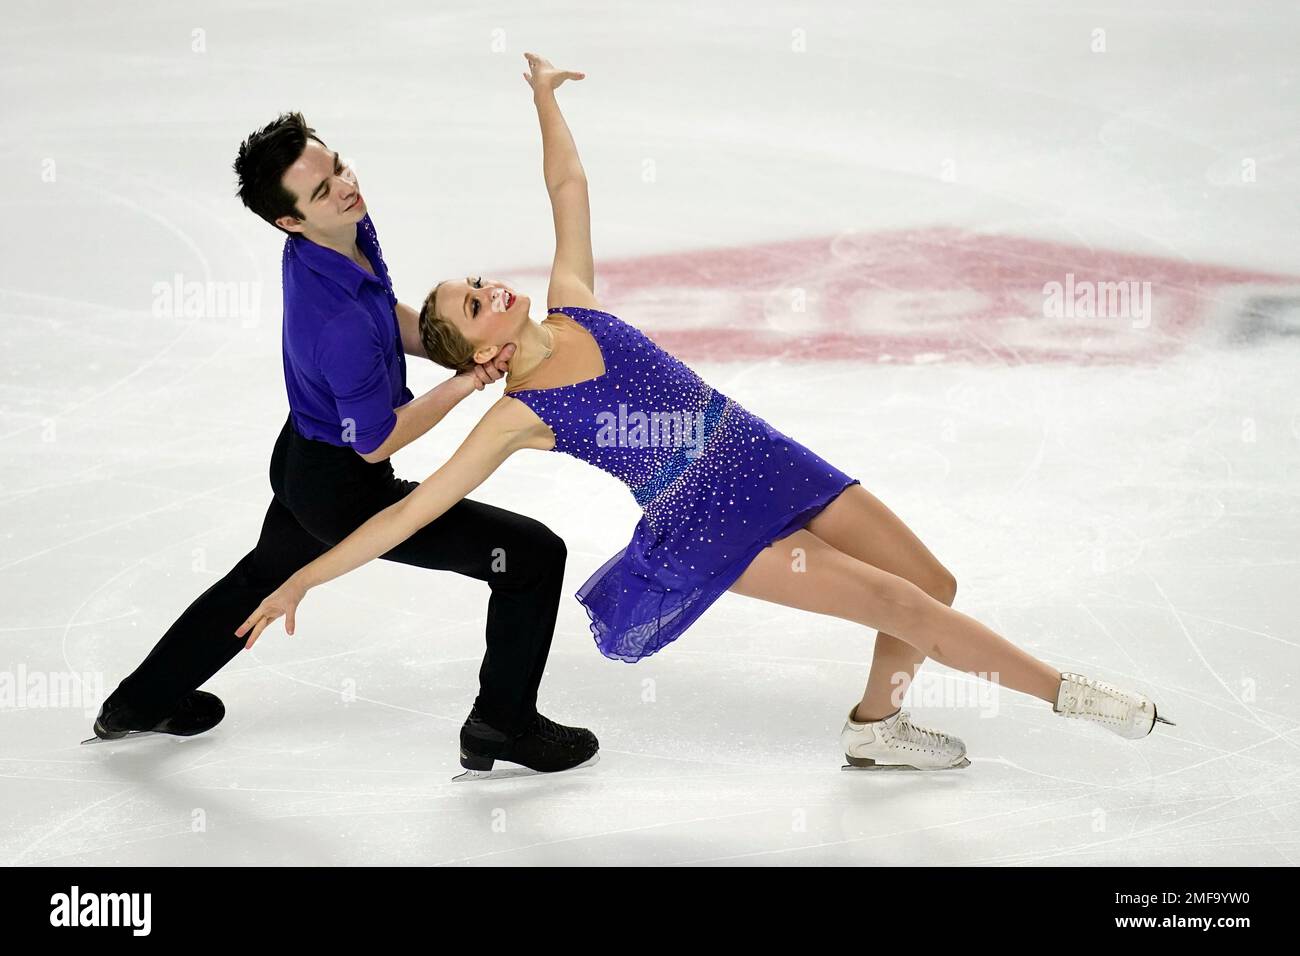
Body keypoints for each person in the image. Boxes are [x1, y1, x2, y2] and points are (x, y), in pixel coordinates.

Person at [237, 54, 1174, 772]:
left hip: (765, 455)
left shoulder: (575, 303)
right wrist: (303, 581)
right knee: (896, 602)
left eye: (478, 279)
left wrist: (546, 101)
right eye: (472, 302)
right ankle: (1071, 694)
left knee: (933, 581)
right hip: (706, 520)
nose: (491, 288)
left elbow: (569, 190)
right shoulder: (514, 415)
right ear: (475, 350)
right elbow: (410, 510)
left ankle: (876, 727)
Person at [91, 109, 598, 778]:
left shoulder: (341, 232)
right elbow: (377, 441)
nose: (346, 188)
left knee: (258, 575)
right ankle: (503, 724)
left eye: (338, 167)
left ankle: (136, 704)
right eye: (323, 189)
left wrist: (457, 353)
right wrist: (470, 379)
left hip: (302, 452)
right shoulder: (337, 326)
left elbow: (388, 316)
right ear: (290, 222)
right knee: (529, 558)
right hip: (340, 484)